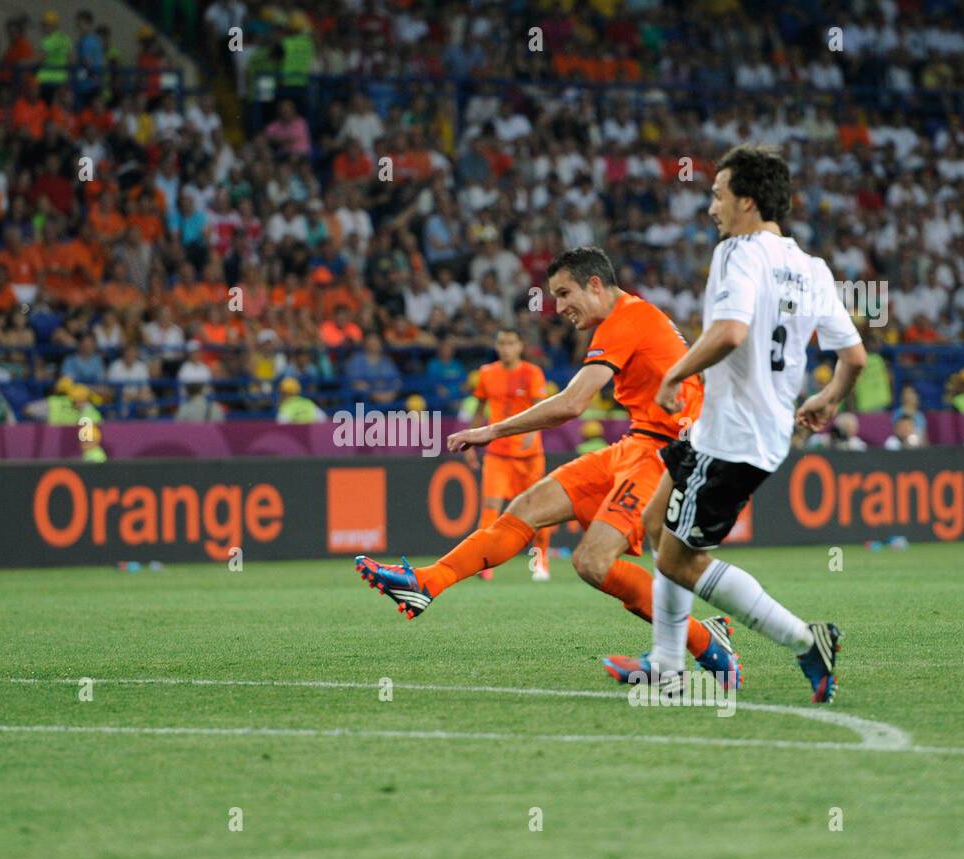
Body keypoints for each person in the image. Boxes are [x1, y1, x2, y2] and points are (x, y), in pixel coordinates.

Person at [354, 246, 739, 687]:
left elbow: (572, 404)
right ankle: (428, 582)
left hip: (665, 456)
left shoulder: (625, 319)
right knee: (525, 509)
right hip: (636, 444)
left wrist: (491, 430)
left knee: (593, 562)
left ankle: (707, 643)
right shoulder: (625, 319)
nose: (559, 308)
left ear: (595, 284)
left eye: (564, 293)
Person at [626, 144, 866, 704]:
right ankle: (665, 666)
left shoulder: (739, 252)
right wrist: (829, 397)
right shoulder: (813, 268)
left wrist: (674, 376)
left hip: (733, 435)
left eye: (718, 195)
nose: (711, 207)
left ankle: (807, 641)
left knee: (677, 559)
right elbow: (852, 356)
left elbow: (730, 332)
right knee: (657, 523)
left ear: (747, 202)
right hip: (746, 430)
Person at [466, 327, 552, 581]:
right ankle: (484, 564)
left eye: (510, 343)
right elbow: (480, 409)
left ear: (520, 346)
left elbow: (542, 408)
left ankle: (540, 560)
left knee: (538, 509)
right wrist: (471, 442)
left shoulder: (532, 372)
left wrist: (532, 433)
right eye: (501, 343)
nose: (506, 348)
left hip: (529, 455)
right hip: (498, 453)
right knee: (491, 508)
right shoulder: (486, 373)